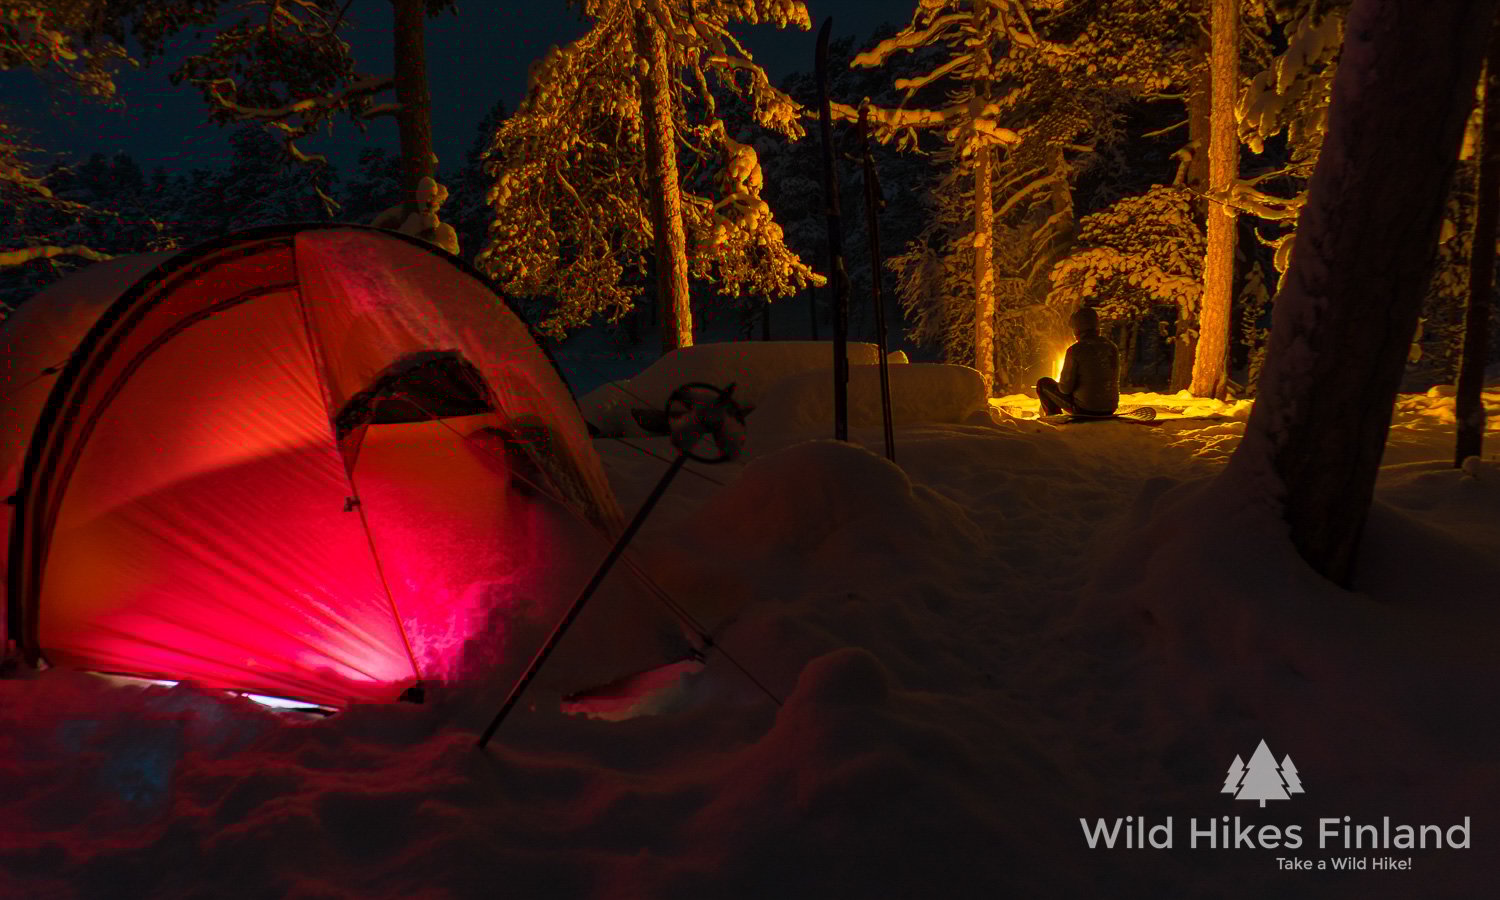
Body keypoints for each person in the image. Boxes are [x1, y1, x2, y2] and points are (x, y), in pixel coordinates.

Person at [1035, 307, 1119, 416]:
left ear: (1077, 329)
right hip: (1109, 408)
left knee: (1043, 383)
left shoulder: (1075, 350)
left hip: (1085, 409)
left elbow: (1065, 389)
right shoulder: (1111, 347)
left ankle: (1054, 418)